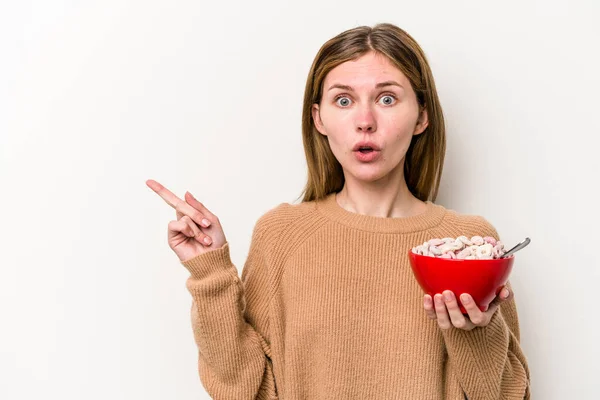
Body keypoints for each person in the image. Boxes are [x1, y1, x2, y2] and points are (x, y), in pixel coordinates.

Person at [146, 22, 531, 399]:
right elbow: (245, 389)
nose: (365, 122)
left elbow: (511, 396)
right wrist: (211, 272)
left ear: (422, 116)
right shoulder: (282, 233)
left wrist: (477, 332)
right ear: (319, 119)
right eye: (343, 100)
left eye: (387, 98)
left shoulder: (470, 246)